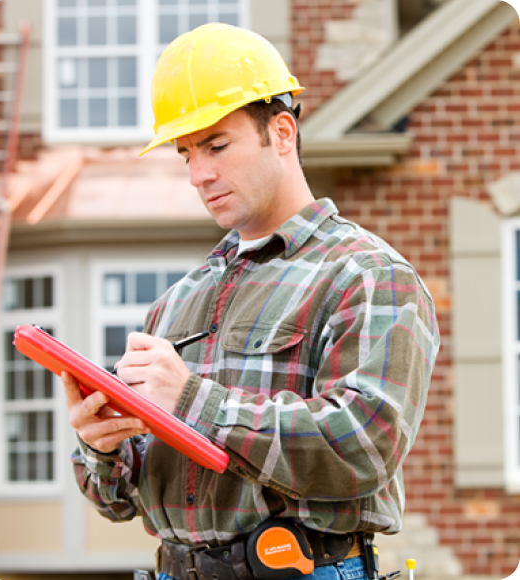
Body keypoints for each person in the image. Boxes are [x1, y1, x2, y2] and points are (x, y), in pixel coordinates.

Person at [62, 23, 440, 580]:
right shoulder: (176, 303)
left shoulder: (368, 275)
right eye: (186, 152)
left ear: (282, 132)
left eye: (216, 145)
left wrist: (190, 398)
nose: (199, 174)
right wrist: (103, 447)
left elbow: (363, 446)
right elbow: (120, 501)